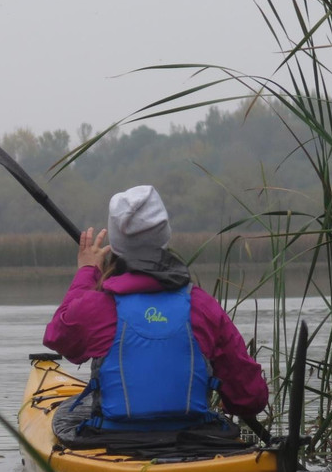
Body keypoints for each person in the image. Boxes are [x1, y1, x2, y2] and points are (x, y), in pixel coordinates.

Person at [43, 185, 269, 433]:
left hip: (115, 441)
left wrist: (87, 271)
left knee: (71, 413)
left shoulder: (98, 306)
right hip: (194, 442)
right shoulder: (202, 305)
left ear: (117, 244)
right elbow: (250, 398)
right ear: (165, 236)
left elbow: (58, 338)